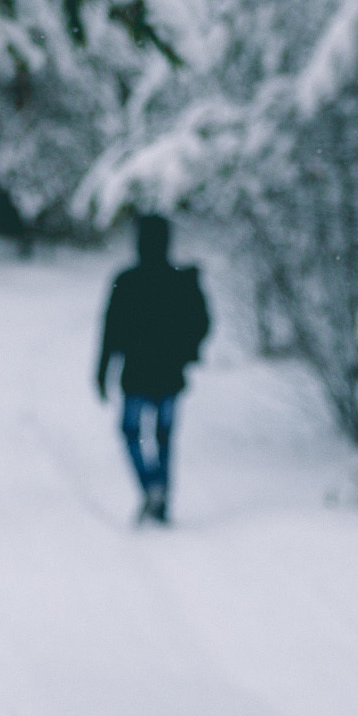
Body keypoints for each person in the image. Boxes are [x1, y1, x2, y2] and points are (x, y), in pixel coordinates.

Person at [96, 214, 210, 525]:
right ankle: (160, 498)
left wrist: (103, 371)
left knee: (131, 432)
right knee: (163, 437)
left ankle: (151, 488)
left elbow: (110, 331)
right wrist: (188, 353)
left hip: (136, 374)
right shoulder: (181, 281)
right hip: (169, 374)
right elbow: (201, 323)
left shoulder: (127, 280)